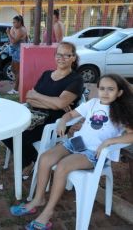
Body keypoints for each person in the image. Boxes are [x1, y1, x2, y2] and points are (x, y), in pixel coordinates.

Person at [10, 74, 133, 230]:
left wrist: (110, 141)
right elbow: (70, 114)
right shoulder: (93, 103)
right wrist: (62, 121)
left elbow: (131, 135)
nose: (105, 92)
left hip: (94, 153)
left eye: (111, 89)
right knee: (46, 158)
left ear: (119, 92)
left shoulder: (121, 112)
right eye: (102, 88)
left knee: (62, 166)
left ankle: (48, 212)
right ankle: (38, 199)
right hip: (77, 143)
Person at [2, 41, 84, 178]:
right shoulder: (47, 74)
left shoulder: (76, 79)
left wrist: (38, 96)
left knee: (18, 134)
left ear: (73, 58)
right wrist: (53, 102)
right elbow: (29, 97)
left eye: (66, 55)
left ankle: (27, 162)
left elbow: (60, 103)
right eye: (59, 54)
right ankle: (34, 159)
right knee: (5, 129)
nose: (61, 58)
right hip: (33, 114)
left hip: (54, 122)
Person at [6, 15, 28, 95]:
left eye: (15, 22)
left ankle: (16, 89)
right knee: (13, 69)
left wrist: (8, 33)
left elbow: (13, 41)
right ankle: (18, 83)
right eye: (13, 22)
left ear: (19, 22)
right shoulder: (15, 28)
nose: (13, 24)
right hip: (15, 51)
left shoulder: (21, 30)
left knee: (18, 71)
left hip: (19, 51)